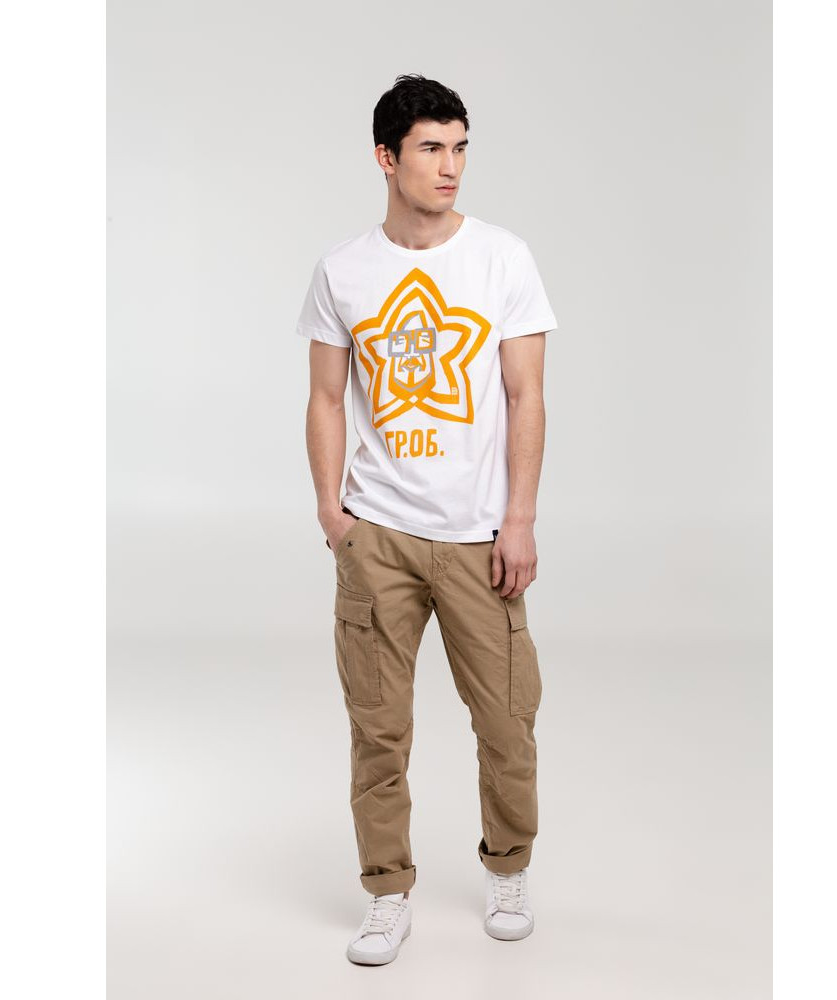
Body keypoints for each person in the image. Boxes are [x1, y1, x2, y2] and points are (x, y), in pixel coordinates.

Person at [295, 73, 558, 966]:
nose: (451, 167)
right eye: (432, 149)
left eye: (460, 148)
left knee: (507, 721)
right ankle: (386, 892)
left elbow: (527, 396)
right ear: (386, 157)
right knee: (377, 727)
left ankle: (508, 869)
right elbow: (325, 397)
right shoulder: (343, 270)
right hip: (379, 537)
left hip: (481, 537)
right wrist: (333, 513)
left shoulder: (502, 258)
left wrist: (519, 518)